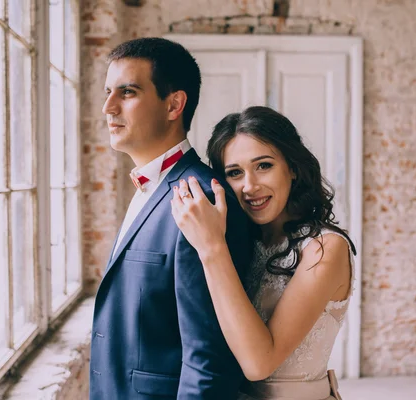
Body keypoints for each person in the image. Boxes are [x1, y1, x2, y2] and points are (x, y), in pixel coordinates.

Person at [89, 37, 254, 400]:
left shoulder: (203, 198)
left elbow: (210, 358)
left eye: (127, 92)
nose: (108, 107)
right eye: (108, 92)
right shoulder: (149, 187)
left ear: (174, 104)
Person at [171, 106, 356, 400]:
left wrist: (211, 248)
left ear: (292, 167)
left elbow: (259, 364)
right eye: (234, 172)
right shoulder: (245, 241)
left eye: (264, 166)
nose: (250, 186)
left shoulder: (325, 248)